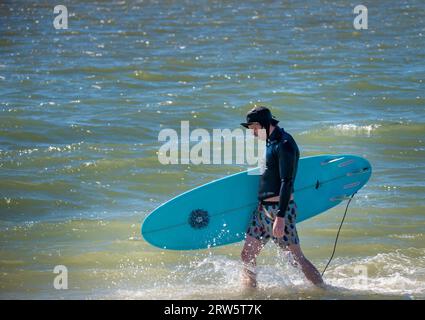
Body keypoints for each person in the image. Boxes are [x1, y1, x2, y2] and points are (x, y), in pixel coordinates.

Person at [240, 106, 324, 289]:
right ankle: (249, 296)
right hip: (262, 211)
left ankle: (324, 290)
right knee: (247, 255)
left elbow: (287, 181)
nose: (252, 133)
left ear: (263, 124)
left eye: (253, 128)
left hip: (278, 211)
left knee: (296, 259)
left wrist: (280, 217)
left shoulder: (284, 144)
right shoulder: (270, 142)